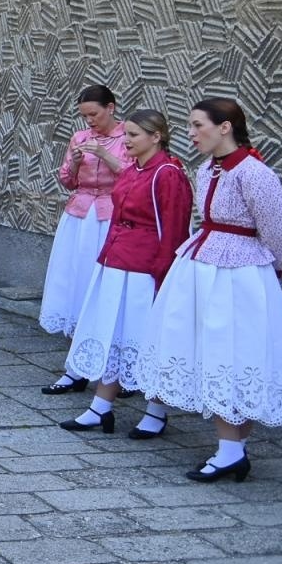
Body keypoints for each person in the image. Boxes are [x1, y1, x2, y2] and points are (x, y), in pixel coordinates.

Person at [136, 98, 282, 482]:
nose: (190, 133)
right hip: (202, 266)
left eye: (197, 125)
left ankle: (231, 450)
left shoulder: (255, 174)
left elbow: (277, 230)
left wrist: (266, 271)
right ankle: (231, 450)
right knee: (207, 349)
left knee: (233, 352)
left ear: (225, 127)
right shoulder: (208, 168)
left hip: (238, 274)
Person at [57, 110, 191, 437]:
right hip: (118, 259)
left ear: (156, 136)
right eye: (127, 134)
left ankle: (156, 412)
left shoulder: (168, 173)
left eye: (134, 135)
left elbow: (174, 227)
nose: (126, 140)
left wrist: (164, 272)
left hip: (146, 267)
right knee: (112, 334)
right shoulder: (133, 170)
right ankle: (101, 407)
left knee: (146, 338)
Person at [40, 85, 131, 393]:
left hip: (109, 216)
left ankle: (112, 369)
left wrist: (105, 155)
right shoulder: (79, 137)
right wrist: (77, 162)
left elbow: (134, 179)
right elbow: (67, 180)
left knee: (103, 288)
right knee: (74, 282)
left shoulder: (127, 137)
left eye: (94, 114)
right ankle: (75, 367)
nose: (89, 121)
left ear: (111, 108)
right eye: (84, 115)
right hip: (79, 215)